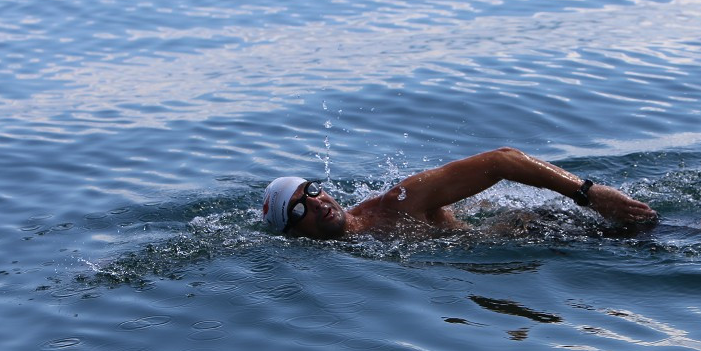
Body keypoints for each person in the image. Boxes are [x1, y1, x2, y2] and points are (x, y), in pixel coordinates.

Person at [262, 146, 657, 239]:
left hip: (553, 228)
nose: (315, 204)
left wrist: (588, 192)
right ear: (295, 234)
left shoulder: (396, 205)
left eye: (310, 191)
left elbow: (502, 160)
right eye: (298, 211)